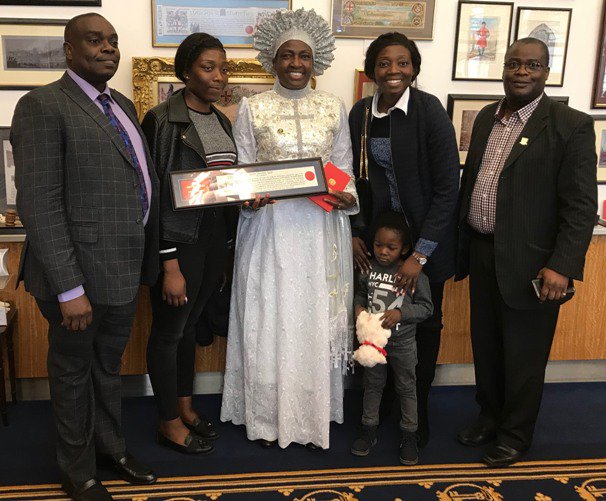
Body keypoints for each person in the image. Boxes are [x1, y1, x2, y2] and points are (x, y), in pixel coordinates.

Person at [11, 13, 159, 501]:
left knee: (108, 369)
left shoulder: (119, 104)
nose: (108, 48)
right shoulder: (42, 105)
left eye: (113, 41)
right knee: (73, 376)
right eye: (94, 41)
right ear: (68, 51)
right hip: (74, 278)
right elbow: (40, 203)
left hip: (121, 269)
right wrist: (68, 289)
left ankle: (109, 451)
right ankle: (78, 473)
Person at [220, 8, 359, 450]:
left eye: (304, 55)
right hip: (270, 229)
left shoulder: (332, 106)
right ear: (272, 60)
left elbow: (344, 167)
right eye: (287, 55)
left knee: (313, 316)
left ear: (315, 61)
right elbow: (242, 169)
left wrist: (346, 195)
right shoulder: (252, 107)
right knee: (270, 314)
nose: (296, 63)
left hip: (321, 230)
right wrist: (247, 194)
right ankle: (265, 415)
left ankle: (313, 410)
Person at [456, 38, 597, 467]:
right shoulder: (485, 117)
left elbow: (580, 205)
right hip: (482, 253)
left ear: (546, 72)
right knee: (488, 347)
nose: (521, 72)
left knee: (523, 354)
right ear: (504, 68)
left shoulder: (569, 124)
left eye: (532, 65)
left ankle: (515, 435)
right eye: (514, 63)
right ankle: (490, 416)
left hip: (533, 264)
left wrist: (562, 266)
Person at [348, 32, 459, 448]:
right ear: (371, 69)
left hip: (425, 246)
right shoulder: (361, 113)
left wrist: (421, 255)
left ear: (414, 68)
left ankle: (417, 413)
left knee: (421, 326)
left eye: (403, 63)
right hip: (382, 248)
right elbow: (352, 180)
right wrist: (359, 232)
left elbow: (449, 189)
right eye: (383, 63)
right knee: (374, 321)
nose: (393, 71)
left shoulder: (429, 112)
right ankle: (378, 411)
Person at [141, 33, 238, 455]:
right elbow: (154, 195)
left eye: (223, 67)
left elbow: (223, 185)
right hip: (178, 245)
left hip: (213, 241)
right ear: (185, 72)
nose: (219, 76)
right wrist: (169, 262)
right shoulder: (162, 121)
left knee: (187, 330)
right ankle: (167, 422)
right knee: (168, 333)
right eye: (208, 67)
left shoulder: (221, 120)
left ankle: (184, 408)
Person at [351, 212, 433, 465]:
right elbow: (360, 295)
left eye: (391, 247)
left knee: (407, 387)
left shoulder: (413, 275)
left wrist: (401, 313)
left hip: (403, 344)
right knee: (372, 385)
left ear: (405, 249)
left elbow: (426, 308)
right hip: (373, 344)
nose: (383, 252)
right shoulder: (367, 269)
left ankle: (409, 434)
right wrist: (358, 309)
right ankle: (368, 428)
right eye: (378, 245)